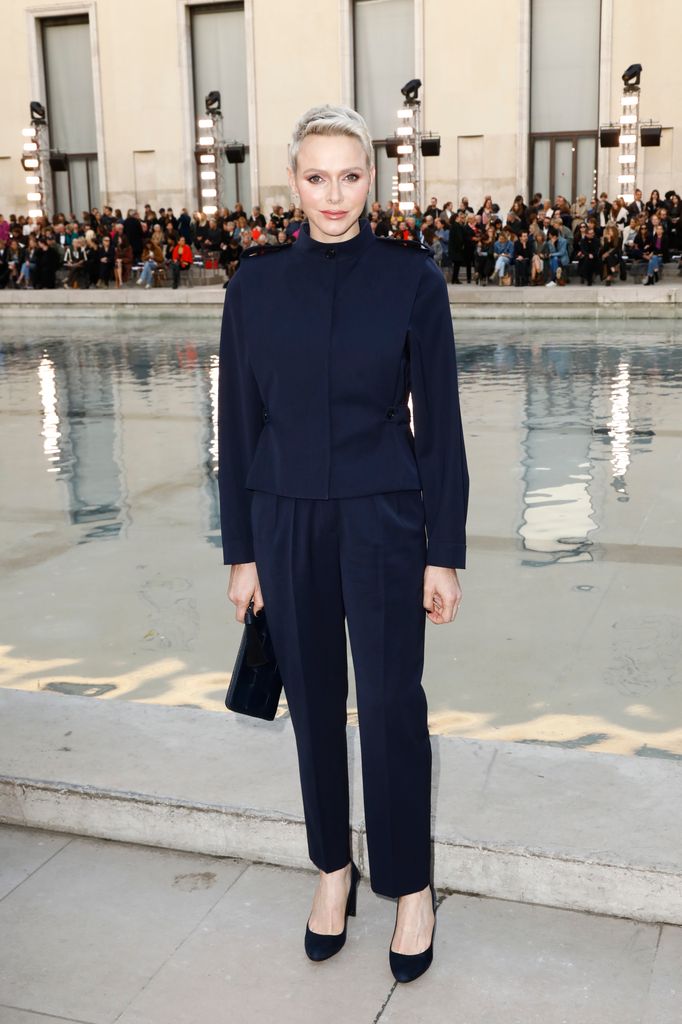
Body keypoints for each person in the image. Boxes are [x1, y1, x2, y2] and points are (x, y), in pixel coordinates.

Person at [218, 104, 468, 984]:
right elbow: (236, 425)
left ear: (374, 179)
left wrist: (446, 552)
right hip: (285, 519)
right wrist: (240, 552)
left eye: (351, 175)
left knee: (394, 704)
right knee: (315, 706)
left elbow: (440, 426)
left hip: (385, 517)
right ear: (294, 182)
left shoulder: (413, 280)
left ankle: (409, 884)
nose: (334, 194)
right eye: (316, 176)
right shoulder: (251, 287)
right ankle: (334, 871)